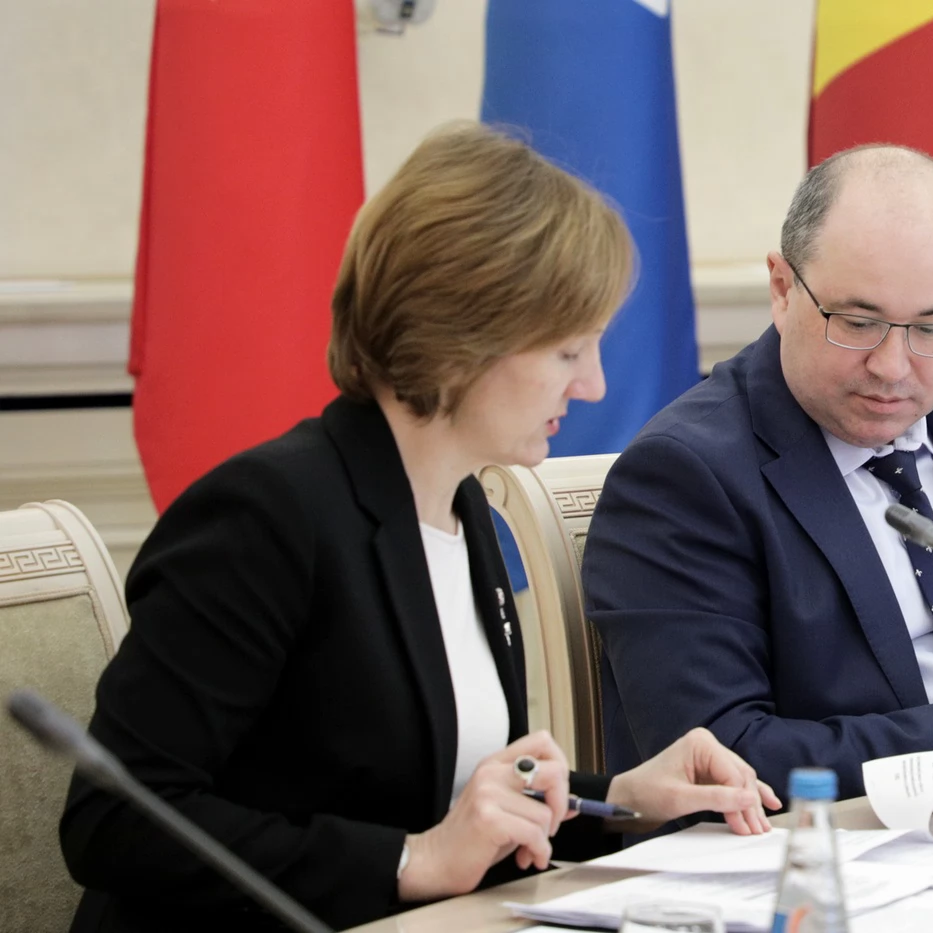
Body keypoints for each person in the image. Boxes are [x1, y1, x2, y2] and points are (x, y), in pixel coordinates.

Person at [60, 121, 779, 933]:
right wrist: (410, 862)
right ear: (463, 339)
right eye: (568, 352)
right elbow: (113, 820)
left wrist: (622, 798)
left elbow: (447, 801)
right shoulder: (264, 515)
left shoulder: (461, 504)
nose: (594, 386)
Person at [582, 145, 933, 802]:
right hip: (855, 843)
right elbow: (717, 759)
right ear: (782, 289)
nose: (892, 366)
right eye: (858, 323)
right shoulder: (685, 477)